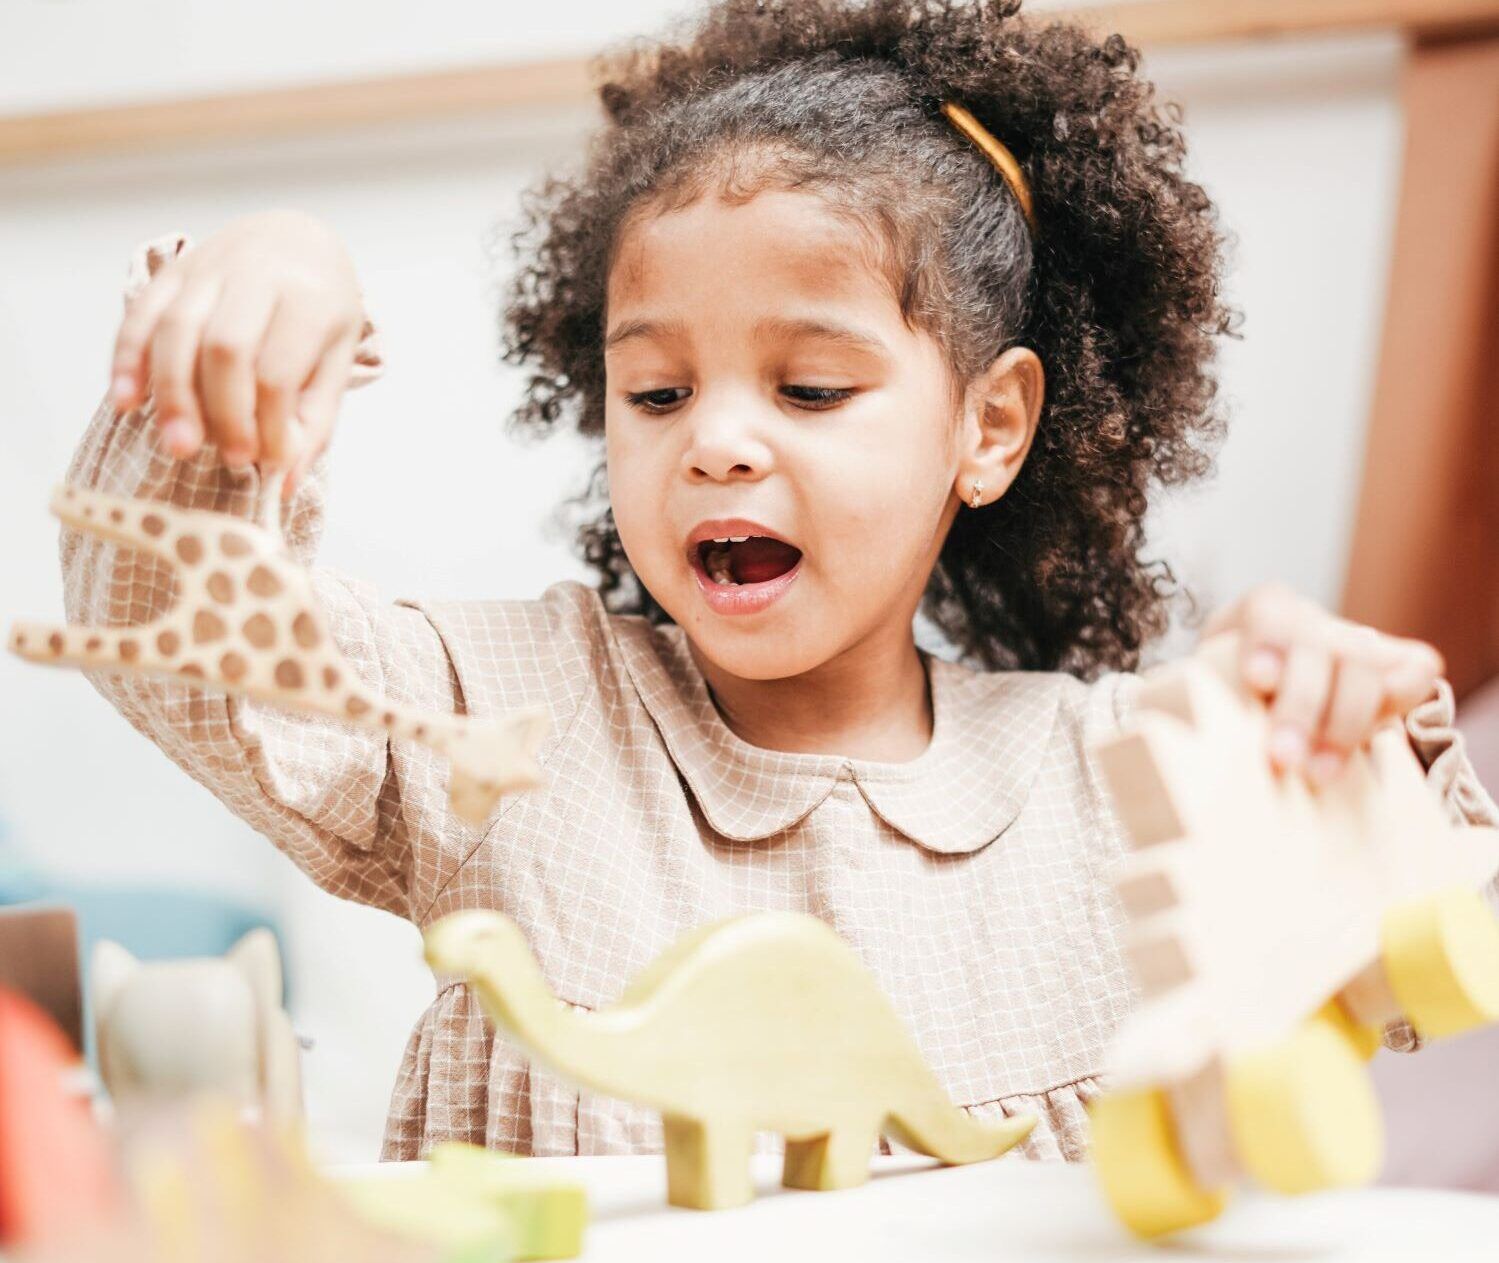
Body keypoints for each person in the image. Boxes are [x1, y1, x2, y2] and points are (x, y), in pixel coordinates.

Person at [66, 0, 1496, 1163]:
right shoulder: (504, 723)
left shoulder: (1109, 775)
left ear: (988, 428)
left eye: (810, 388)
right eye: (658, 391)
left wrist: (1336, 744)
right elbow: (167, 636)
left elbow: (1430, 942)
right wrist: (265, 292)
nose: (716, 443)